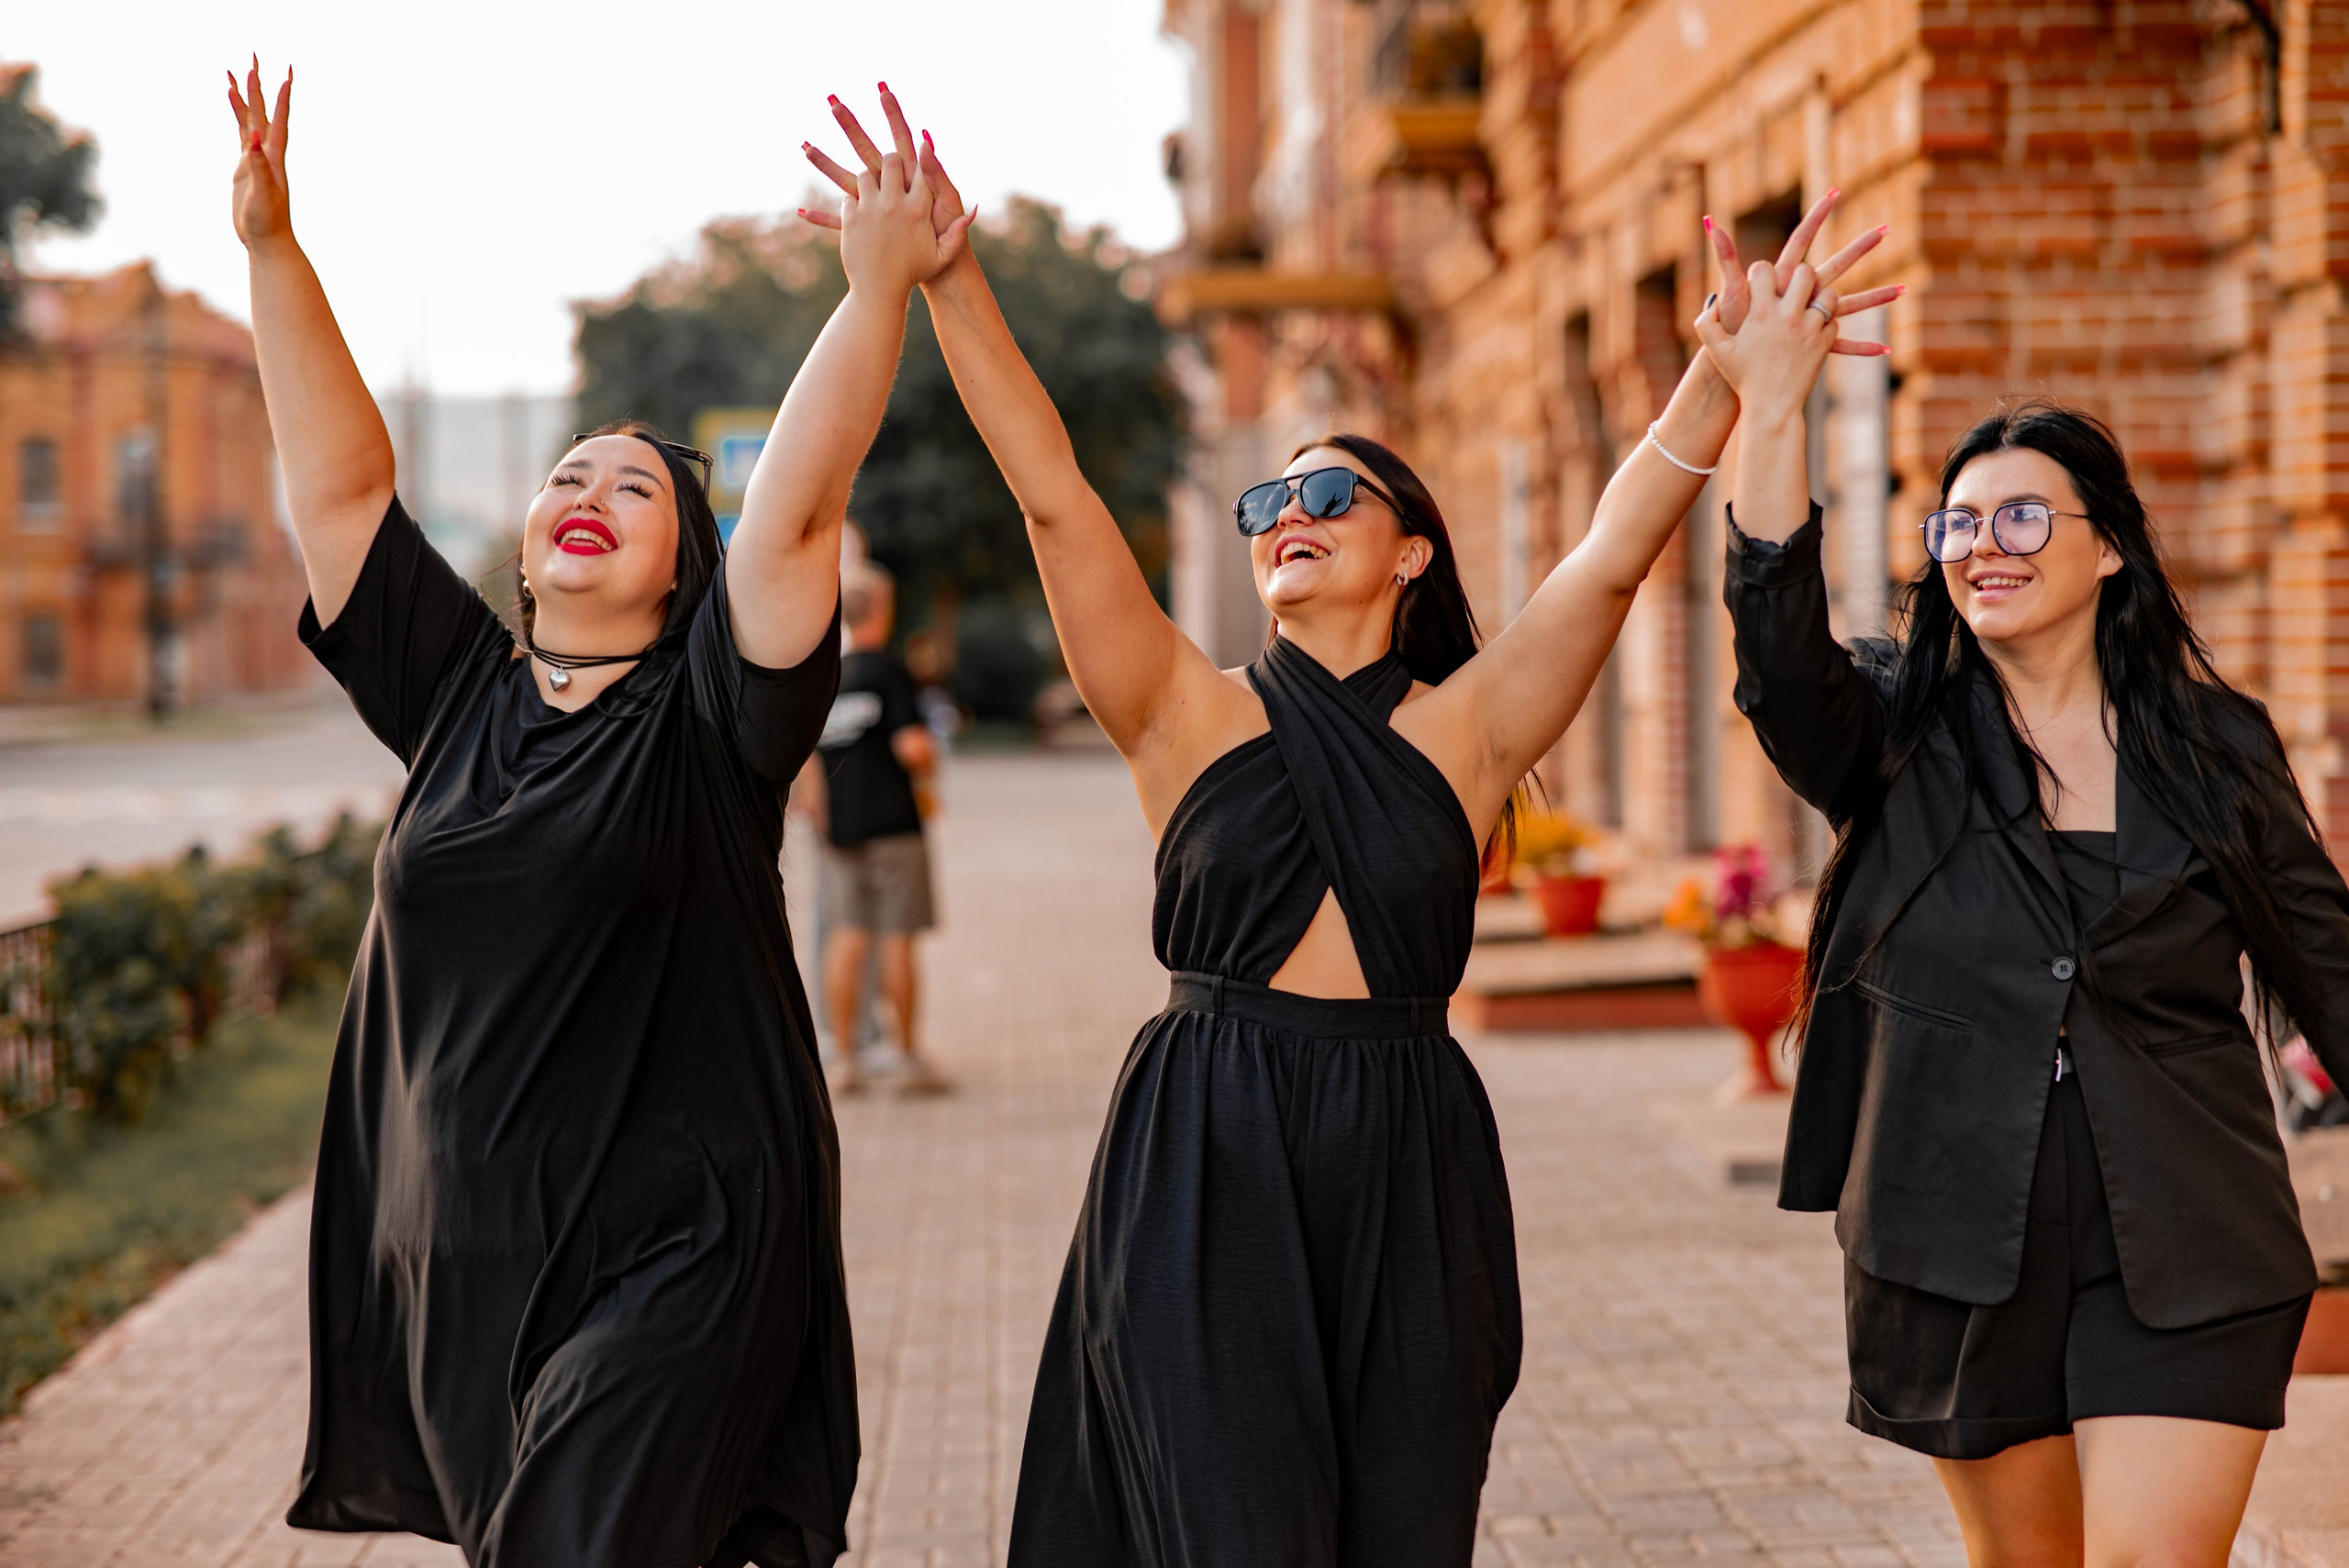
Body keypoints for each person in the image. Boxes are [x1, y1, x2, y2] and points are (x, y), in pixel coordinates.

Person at [803, 92, 1893, 1565]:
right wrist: (953, 281)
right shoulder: (1177, 710)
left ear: (1412, 545)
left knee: (1403, 1530)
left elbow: (1614, 551)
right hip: (1208, 1141)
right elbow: (1055, 500)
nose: (1285, 513)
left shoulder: (1469, 725)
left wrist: (1725, 376)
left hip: (1408, 1147)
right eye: (1269, 496)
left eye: (1328, 491)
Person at [228, 65, 967, 1568]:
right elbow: (346, 486)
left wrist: (875, 290)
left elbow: (800, 511)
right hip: (472, 1261)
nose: (588, 486)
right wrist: (271, 250)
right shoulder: (453, 698)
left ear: (687, 574)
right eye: (570, 471)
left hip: (681, 1242)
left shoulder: (711, 718)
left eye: (635, 487)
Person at [1698, 246, 2349, 1562]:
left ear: (2108, 546)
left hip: (2191, 1244)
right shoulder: (1890, 734)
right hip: (1954, 1250)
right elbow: (1776, 655)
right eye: (1956, 523)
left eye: (2020, 517)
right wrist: (1772, 403)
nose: (1978, 546)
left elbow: (2334, 966)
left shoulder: (2216, 746)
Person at [813, 561, 946, 1095]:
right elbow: (911, 747)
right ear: (883, 611)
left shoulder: (828, 676)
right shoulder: (890, 672)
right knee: (897, 941)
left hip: (841, 830)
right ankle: (905, 1060)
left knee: (847, 938)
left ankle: (846, 1062)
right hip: (894, 827)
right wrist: (931, 758)